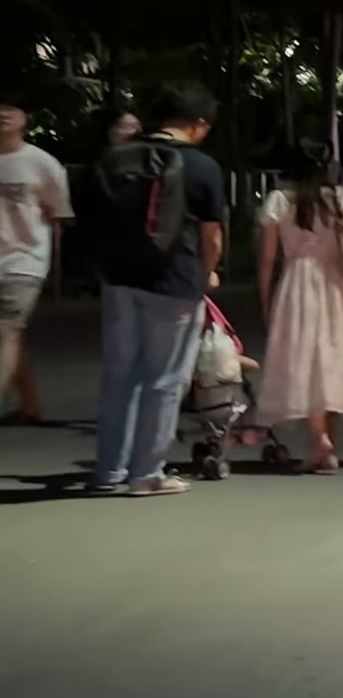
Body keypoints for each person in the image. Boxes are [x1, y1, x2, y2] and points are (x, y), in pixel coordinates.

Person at [89, 83, 228, 495]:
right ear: (199, 124)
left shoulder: (117, 157)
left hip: (118, 277)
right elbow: (212, 237)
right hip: (173, 280)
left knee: (119, 375)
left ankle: (109, 470)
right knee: (165, 378)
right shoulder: (201, 166)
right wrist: (208, 273)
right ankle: (147, 473)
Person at [253, 144, 343, 472]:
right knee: (333, 357)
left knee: (305, 359)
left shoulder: (280, 201)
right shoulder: (341, 198)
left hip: (297, 283)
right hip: (338, 281)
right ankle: (326, 440)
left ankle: (321, 443)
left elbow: (268, 258)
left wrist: (265, 299)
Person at [0, 102, 73, 425]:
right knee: (10, 336)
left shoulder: (42, 163)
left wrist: (49, 264)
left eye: (10, 110)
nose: (3, 116)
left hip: (24, 261)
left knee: (6, 330)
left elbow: (59, 215)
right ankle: (31, 405)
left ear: (24, 120)